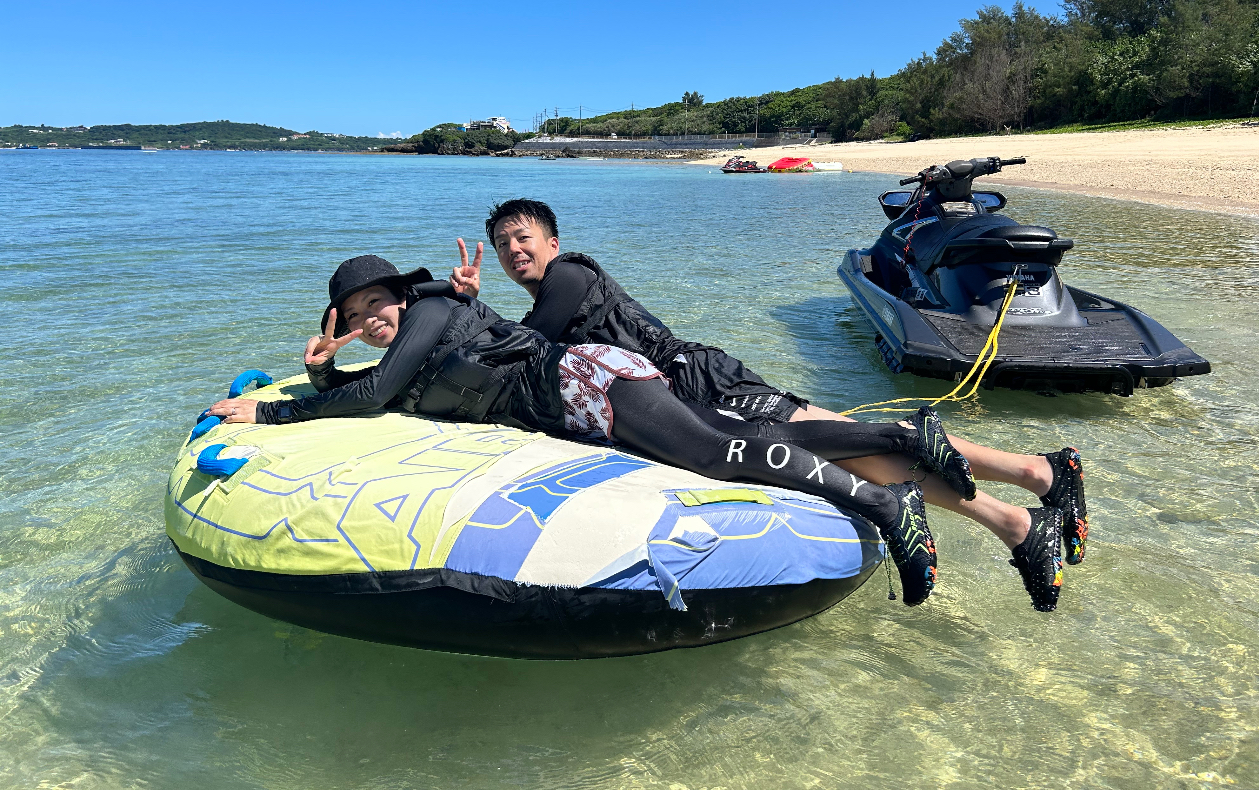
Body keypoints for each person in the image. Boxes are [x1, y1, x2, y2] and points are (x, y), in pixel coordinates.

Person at [448, 199, 1088, 612]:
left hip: (699, 382)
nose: (513, 251)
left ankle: (1026, 503)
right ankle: (1033, 487)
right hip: (691, 390)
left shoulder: (569, 280)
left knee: (845, 439)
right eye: (503, 245)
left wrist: (470, 313)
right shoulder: (546, 299)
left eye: (523, 237)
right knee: (848, 444)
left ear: (553, 243)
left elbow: (530, 349)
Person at [206, 255, 941, 606]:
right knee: (720, 441)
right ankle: (906, 440)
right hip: (576, 402)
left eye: (377, 304)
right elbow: (377, 393)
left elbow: (374, 397)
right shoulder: (404, 341)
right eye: (356, 316)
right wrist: (327, 372)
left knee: (717, 458)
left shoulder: (427, 313)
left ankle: (885, 503)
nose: (372, 321)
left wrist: (274, 411)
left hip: (580, 382)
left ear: (402, 294)